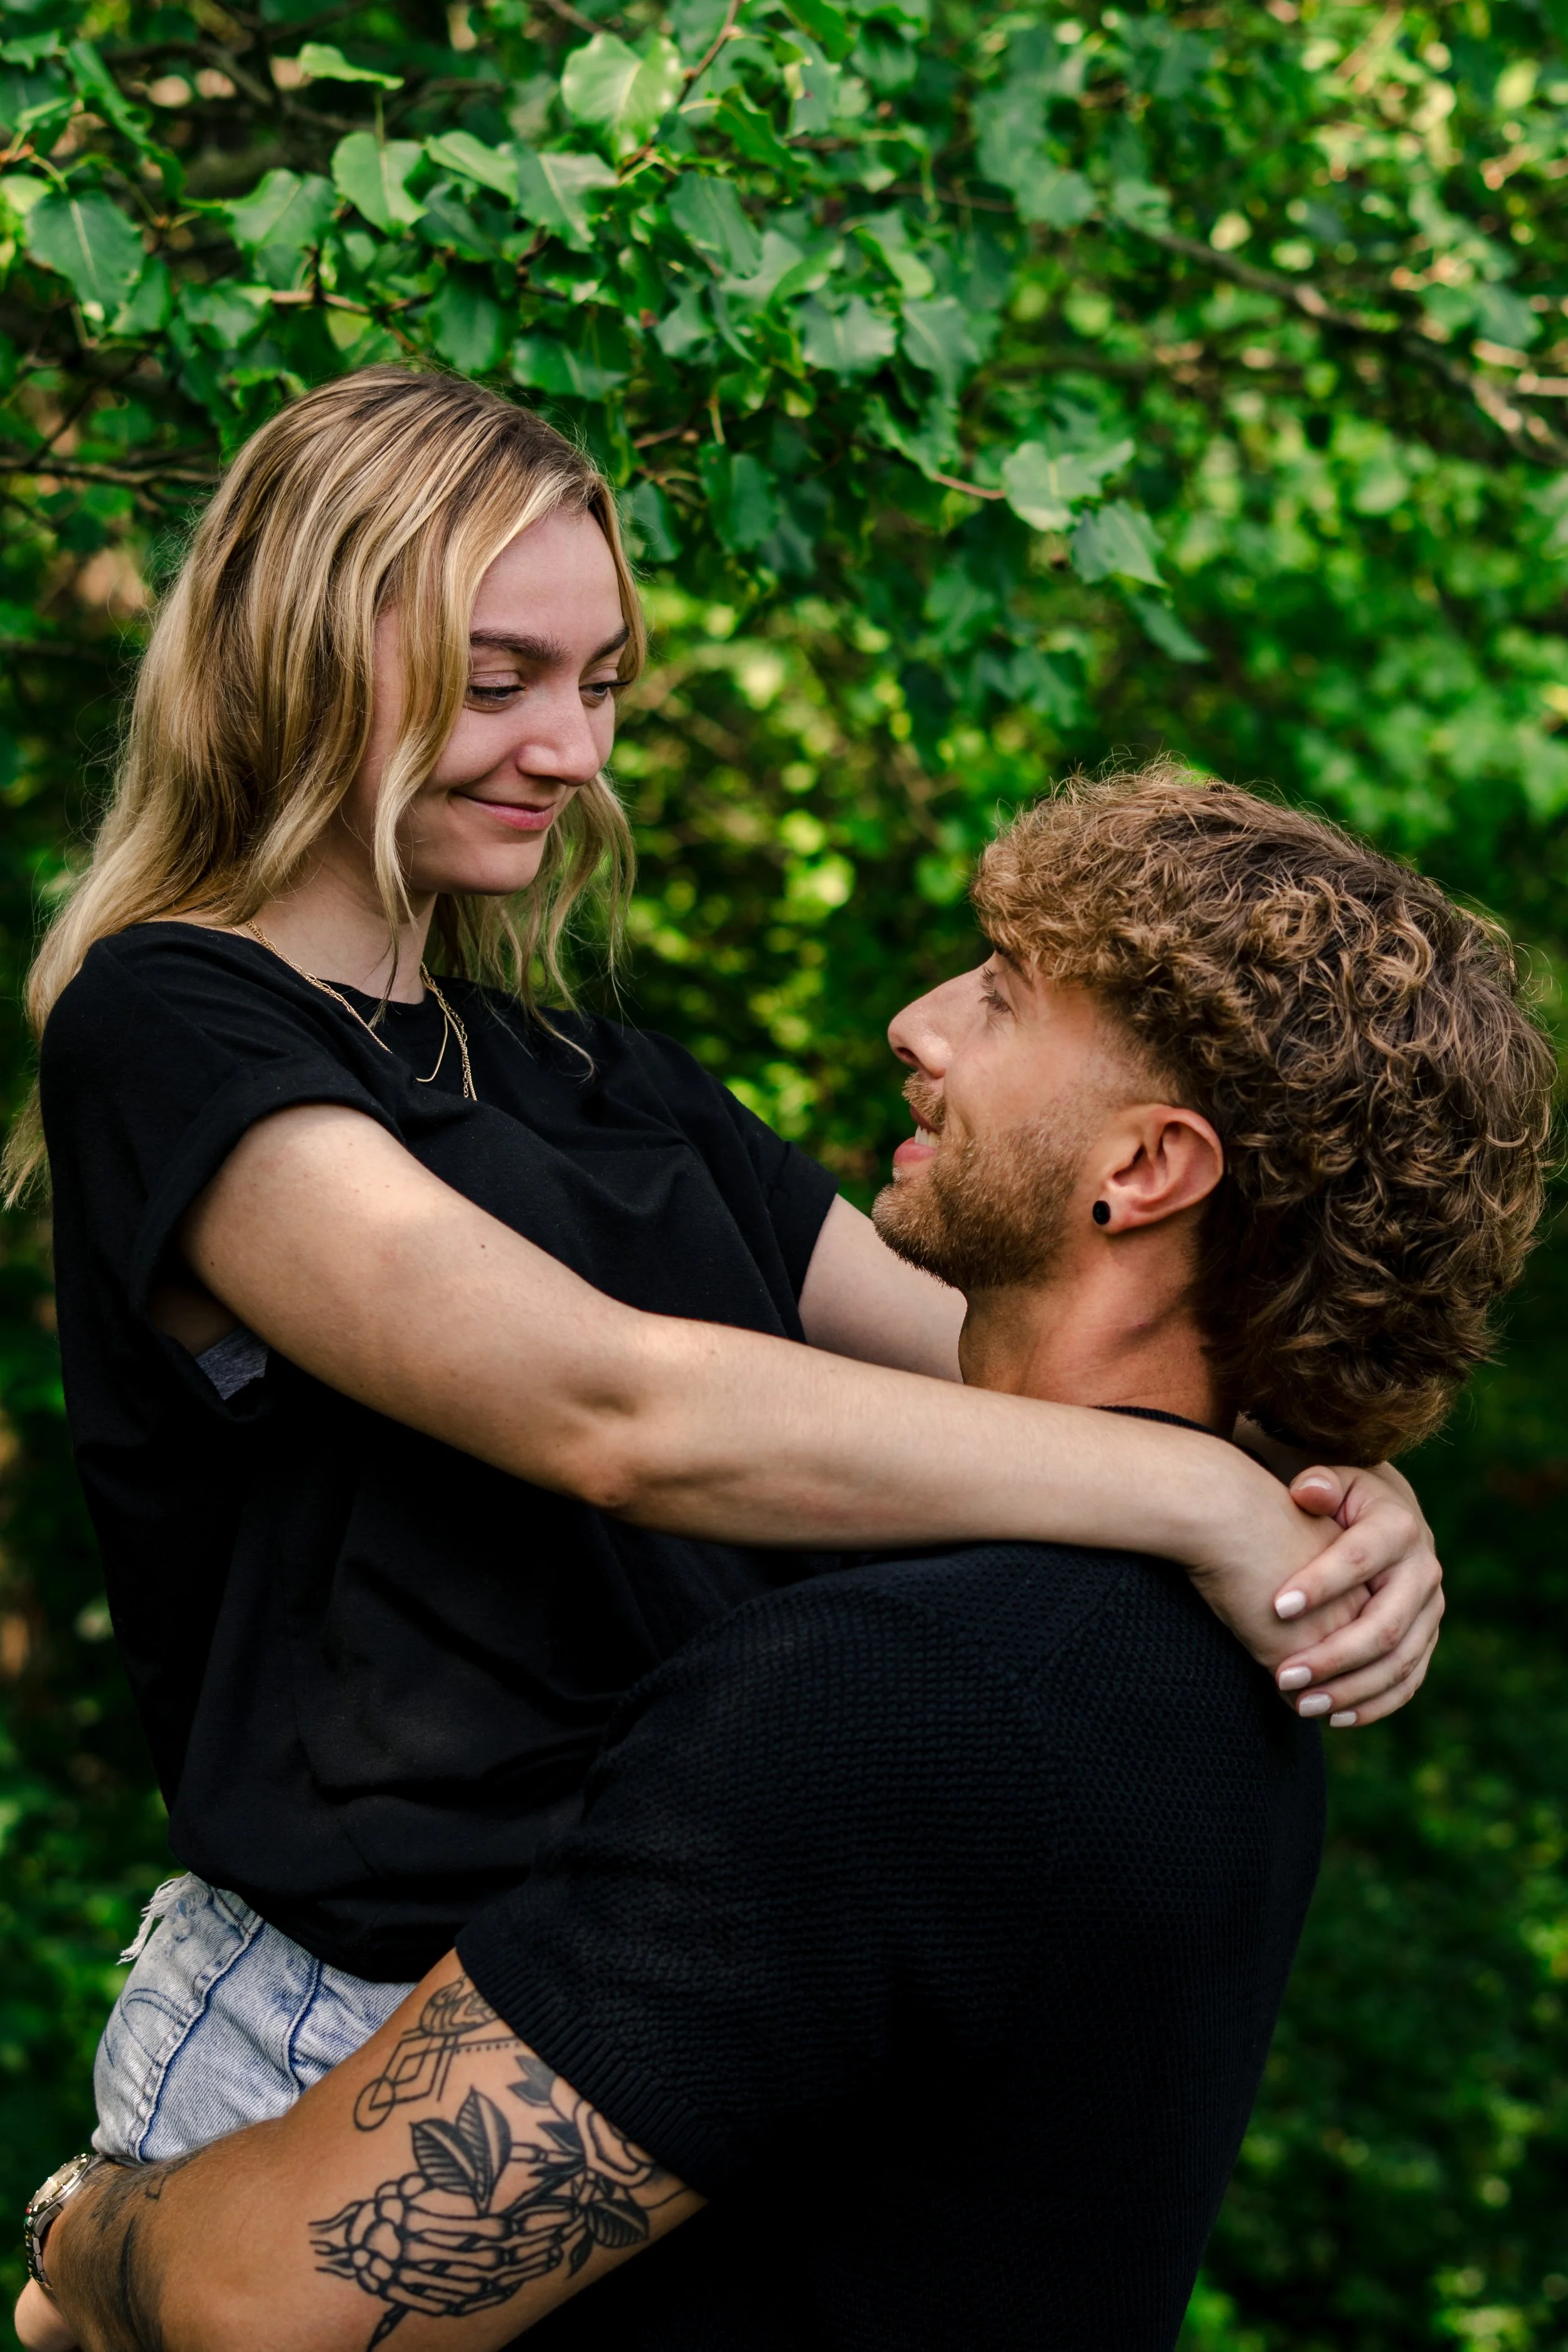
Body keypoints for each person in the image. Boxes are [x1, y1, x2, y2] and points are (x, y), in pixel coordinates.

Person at [15, 366, 1436, 2172]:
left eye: (598, 685)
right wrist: (1200, 1497)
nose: (574, 751)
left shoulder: (588, 1067)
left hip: (624, 1997)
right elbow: (603, 1405)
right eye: (498, 677)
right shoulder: (171, 1020)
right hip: (329, 2029)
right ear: (297, 648)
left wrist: (1323, 1486)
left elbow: (1012, 1370)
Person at [21, 770, 1553, 2352]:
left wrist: (79, 2227)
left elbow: (259, 2310)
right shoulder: (1227, 1664)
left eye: (1001, 998)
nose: (916, 1021)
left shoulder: (888, 1700)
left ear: (1145, 1169)